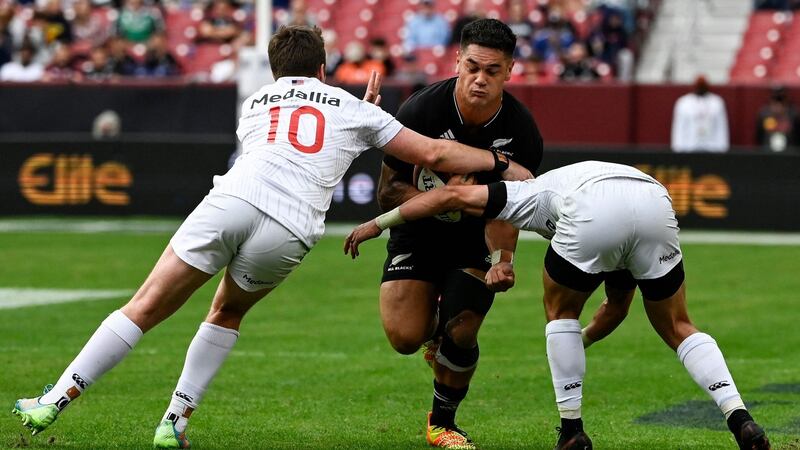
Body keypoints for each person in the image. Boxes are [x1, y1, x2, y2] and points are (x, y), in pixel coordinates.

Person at [10, 24, 531, 449]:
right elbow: (434, 156)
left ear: (275, 69)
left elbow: (300, 133)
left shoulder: (256, 103)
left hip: (236, 199)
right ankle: (174, 421)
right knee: (225, 313)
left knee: (144, 306)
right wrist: (498, 162)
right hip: (291, 228)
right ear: (325, 69)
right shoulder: (355, 109)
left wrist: (359, 113)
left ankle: (54, 399)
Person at [344, 160, 771, 450]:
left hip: (593, 203)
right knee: (679, 325)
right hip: (654, 199)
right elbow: (616, 309)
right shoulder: (572, 188)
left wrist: (377, 224)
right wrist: (581, 343)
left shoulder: (522, 193)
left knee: (559, 313)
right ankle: (739, 418)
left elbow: (447, 198)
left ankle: (572, 431)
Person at [375, 18, 543, 449]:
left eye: (491, 71)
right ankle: (434, 333)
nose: (479, 79)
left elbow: (511, 206)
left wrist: (504, 261)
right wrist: (446, 201)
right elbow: (388, 191)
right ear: (457, 61)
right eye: (472, 67)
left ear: (509, 71)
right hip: (418, 233)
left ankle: (443, 424)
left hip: (475, 238)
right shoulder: (421, 111)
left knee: (462, 328)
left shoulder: (522, 130)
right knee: (404, 338)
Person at [671, 75, 730, 153]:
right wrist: (677, 147)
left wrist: (722, 147)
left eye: (702, 86)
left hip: (712, 147)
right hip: (689, 146)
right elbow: (679, 126)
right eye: (699, 86)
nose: (700, 89)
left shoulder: (716, 102)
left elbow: (721, 126)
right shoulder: (684, 102)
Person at [755, 85, 799, 152]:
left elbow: (797, 138)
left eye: (781, 100)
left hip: (789, 155)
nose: (778, 105)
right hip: (767, 154)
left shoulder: (794, 115)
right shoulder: (763, 115)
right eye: (775, 99)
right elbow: (759, 137)